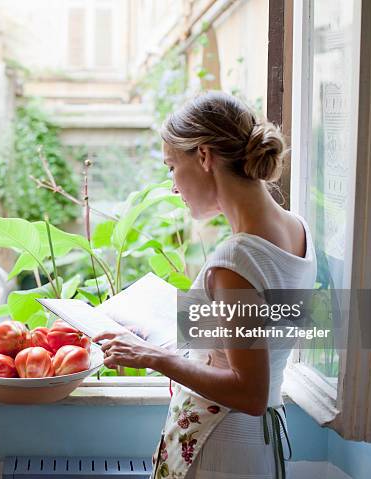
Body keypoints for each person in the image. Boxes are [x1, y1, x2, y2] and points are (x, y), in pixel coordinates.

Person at [93, 91, 317, 479]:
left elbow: (248, 392)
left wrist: (152, 356)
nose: (173, 186)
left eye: (171, 166)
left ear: (204, 156)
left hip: (223, 450)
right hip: (257, 448)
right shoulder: (295, 229)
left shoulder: (237, 260)